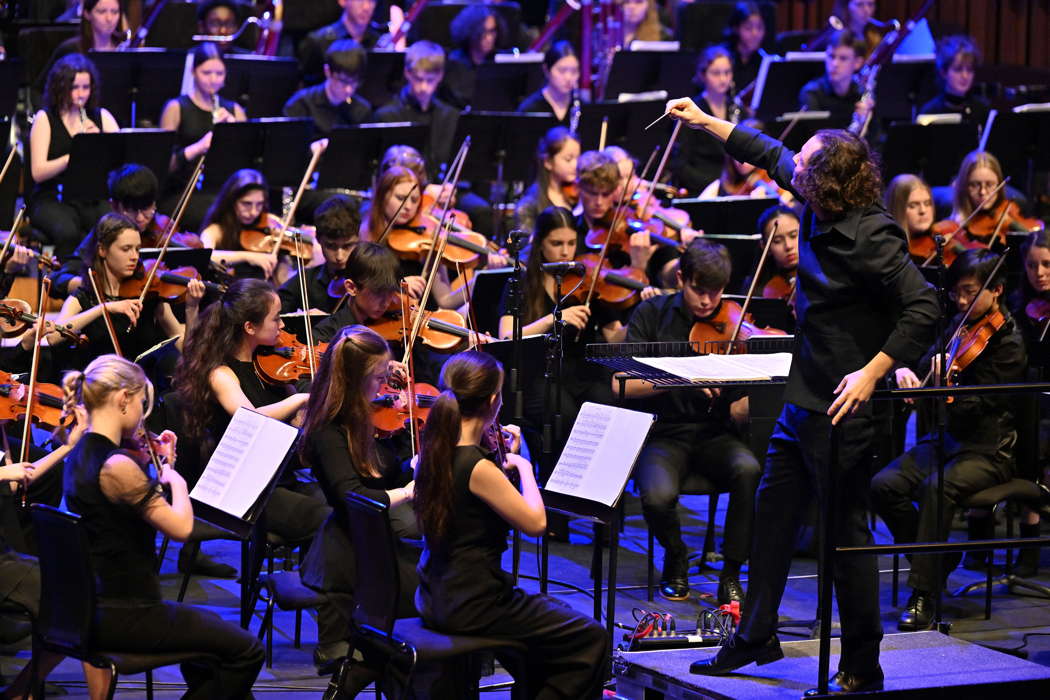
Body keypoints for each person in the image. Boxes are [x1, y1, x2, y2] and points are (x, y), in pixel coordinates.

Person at [665, 95, 939, 692]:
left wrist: (874, 371)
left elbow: (925, 307)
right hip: (801, 397)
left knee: (845, 540)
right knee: (773, 517)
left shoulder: (873, 235)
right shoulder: (814, 196)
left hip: (844, 410)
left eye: (806, 161)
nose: (795, 164)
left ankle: (864, 665)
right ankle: (756, 633)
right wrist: (703, 119)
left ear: (825, 184)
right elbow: (766, 151)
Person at [62, 354, 264, 698]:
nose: (143, 415)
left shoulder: (80, 452)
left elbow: (122, 511)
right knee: (247, 650)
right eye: (142, 403)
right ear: (124, 399)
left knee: (212, 654)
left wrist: (161, 467)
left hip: (94, 606)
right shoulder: (117, 465)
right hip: (128, 613)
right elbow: (181, 529)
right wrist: (177, 481)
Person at [414, 350, 610, 698]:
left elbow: (471, 495)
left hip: (437, 593)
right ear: (493, 400)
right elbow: (535, 522)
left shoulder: (430, 452)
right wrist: (525, 468)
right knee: (590, 636)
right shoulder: (479, 468)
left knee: (555, 622)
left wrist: (503, 460)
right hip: (476, 602)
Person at [872, 249, 1026, 631]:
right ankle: (938, 558)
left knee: (935, 489)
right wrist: (909, 372)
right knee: (882, 485)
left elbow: (981, 405)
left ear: (997, 291)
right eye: (957, 292)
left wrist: (950, 384)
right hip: (948, 443)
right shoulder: (958, 325)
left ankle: (923, 592)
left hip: (989, 451)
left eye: (969, 292)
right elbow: (926, 363)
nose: (960, 301)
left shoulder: (1009, 344)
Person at [621, 239, 760, 603]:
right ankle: (676, 553)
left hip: (716, 435)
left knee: (748, 469)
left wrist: (753, 387)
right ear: (681, 278)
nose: (707, 302)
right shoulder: (651, 314)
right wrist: (682, 376)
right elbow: (623, 386)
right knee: (656, 496)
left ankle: (731, 573)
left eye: (716, 293)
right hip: (663, 434)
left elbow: (743, 408)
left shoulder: (734, 326)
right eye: (699, 291)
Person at [298, 324, 419, 674]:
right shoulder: (327, 430)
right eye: (378, 376)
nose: (384, 385)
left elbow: (385, 475)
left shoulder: (362, 418)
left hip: (372, 545)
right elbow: (352, 495)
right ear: (355, 379)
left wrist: (417, 466)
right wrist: (406, 493)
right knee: (440, 593)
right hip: (350, 556)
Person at [172, 279, 327, 546]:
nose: (282, 325)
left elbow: (299, 423)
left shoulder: (272, 365)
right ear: (250, 327)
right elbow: (250, 418)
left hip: (280, 475)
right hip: (245, 487)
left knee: (342, 505)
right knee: (326, 520)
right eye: (276, 319)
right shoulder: (221, 373)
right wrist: (301, 398)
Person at [51, 212, 205, 371]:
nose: (134, 257)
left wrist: (192, 308)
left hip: (144, 384)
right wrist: (104, 308)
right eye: (126, 249)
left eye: (137, 249)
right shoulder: (85, 296)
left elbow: (186, 351)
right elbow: (53, 336)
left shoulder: (148, 295)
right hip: (101, 383)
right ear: (102, 250)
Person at [47, 163, 202, 298]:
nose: (141, 218)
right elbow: (57, 279)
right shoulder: (106, 233)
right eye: (132, 210)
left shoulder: (164, 226)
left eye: (147, 208)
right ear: (114, 205)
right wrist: (97, 286)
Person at [29, 53, 118, 259]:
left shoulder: (101, 117)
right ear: (61, 88)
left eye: (85, 88)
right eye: (74, 88)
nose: (80, 94)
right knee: (68, 232)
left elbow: (120, 162)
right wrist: (75, 154)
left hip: (90, 196)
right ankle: (64, 280)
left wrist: (100, 144)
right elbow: (38, 172)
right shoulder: (45, 119)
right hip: (53, 197)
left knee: (111, 228)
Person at [159, 43, 247, 233]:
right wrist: (198, 147)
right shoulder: (176, 107)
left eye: (219, 74)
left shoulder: (235, 110)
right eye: (206, 73)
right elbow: (163, 165)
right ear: (193, 72)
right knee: (218, 213)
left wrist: (236, 134)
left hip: (221, 189)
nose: (213, 80)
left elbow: (247, 164)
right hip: (183, 192)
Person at [198, 168, 302, 283]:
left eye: (259, 204)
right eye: (246, 203)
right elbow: (205, 256)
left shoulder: (269, 223)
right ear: (232, 200)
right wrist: (248, 256)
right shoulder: (217, 230)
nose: (253, 212)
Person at [374, 41, 460, 180]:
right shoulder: (387, 116)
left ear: (440, 76)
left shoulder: (450, 116)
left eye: (430, 80)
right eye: (419, 79)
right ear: (407, 73)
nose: (424, 87)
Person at [939, 150, 1042, 250]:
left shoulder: (1011, 208)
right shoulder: (955, 226)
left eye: (990, 184)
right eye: (974, 185)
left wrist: (1014, 225)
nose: (983, 192)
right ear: (964, 186)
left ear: (999, 184)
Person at [278, 193, 360, 317]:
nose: (339, 256)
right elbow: (275, 312)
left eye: (347, 246)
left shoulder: (367, 280)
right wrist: (300, 317)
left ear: (358, 238)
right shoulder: (305, 280)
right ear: (318, 239)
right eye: (331, 246)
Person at [671, 46, 740, 195]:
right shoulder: (690, 112)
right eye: (716, 73)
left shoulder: (735, 108)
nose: (723, 79)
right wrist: (718, 185)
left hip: (732, 189)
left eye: (727, 72)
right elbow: (680, 166)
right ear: (703, 75)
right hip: (701, 190)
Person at [283, 38, 373, 135]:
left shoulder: (362, 110)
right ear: (327, 72)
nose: (349, 89)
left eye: (354, 81)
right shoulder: (300, 104)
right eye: (343, 81)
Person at [798, 29, 871, 131]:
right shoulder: (811, 93)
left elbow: (877, 142)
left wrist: (864, 123)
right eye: (831, 56)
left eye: (843, 58)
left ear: (858, 63)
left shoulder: (862, 95)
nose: (835, 64)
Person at [513, 127, 581, 235]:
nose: (575, 165)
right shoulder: (529, 205)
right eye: (568, 159)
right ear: (548, 162)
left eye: (578, 158)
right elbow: (526, 247)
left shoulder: (580, 196)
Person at [299, 0, 382, 86]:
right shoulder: (319, 41)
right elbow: (305, 87)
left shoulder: (380, 41)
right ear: (342, 1)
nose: (366, 7)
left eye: (372, 1)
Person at [441, 4, 505, 109]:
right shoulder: (454, 64)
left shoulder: (500, 62)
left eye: (492, 31)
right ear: (470, 32)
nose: (489, 38)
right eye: (483, 32)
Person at [917, 35, 990, 127]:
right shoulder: (930, 111)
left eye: (969, 70)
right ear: (943, 72)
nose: (965, 76)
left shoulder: (982, 109)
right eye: (958, 69)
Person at [517, 41, 581, 130]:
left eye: (574, 71)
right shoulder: (530, 109)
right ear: (546, 70)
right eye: (562, 71)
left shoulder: (582, 107)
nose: (568, 78)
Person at [746, 203, 799, 302]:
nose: (788, 246)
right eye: (777, 241)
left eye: (793, 235)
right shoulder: (758, 292)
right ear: (765, 246)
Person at [722, 2, 767, 98]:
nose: (755, 34)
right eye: (748, 28)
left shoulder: (764, 60)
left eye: (759, 27)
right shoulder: (722, 58)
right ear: (736, 28)